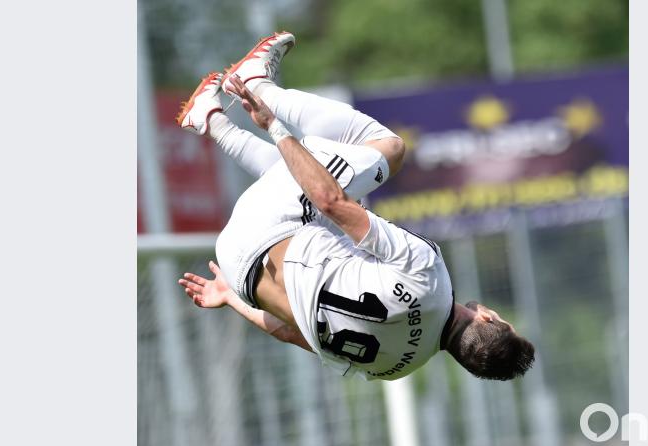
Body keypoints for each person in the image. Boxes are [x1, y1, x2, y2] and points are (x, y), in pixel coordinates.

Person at [176, 32, 535, 381]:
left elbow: (330, 201)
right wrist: (229, 296)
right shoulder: (395, 369)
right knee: (307, 182)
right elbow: (290, 333)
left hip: (272, 229)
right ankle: (210, 121)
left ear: (488, 318)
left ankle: (255, 83)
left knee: (387, 150)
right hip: (239, 273)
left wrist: (274, 125)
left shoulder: (428, 272)